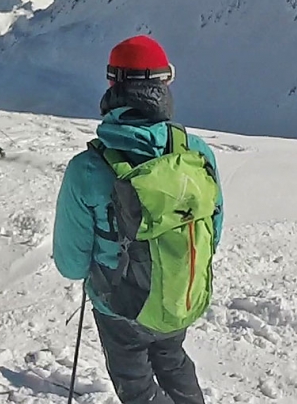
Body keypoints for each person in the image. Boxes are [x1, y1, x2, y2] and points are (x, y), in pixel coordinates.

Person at [52, 35, 224, 404]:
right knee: (173, 358)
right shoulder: (196, 152)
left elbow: (70, 264)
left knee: (136, 383)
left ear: (113, 84)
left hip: (120, 307)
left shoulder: (87, 168)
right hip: (180, 292)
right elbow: (214, 228)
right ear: (164, 83)